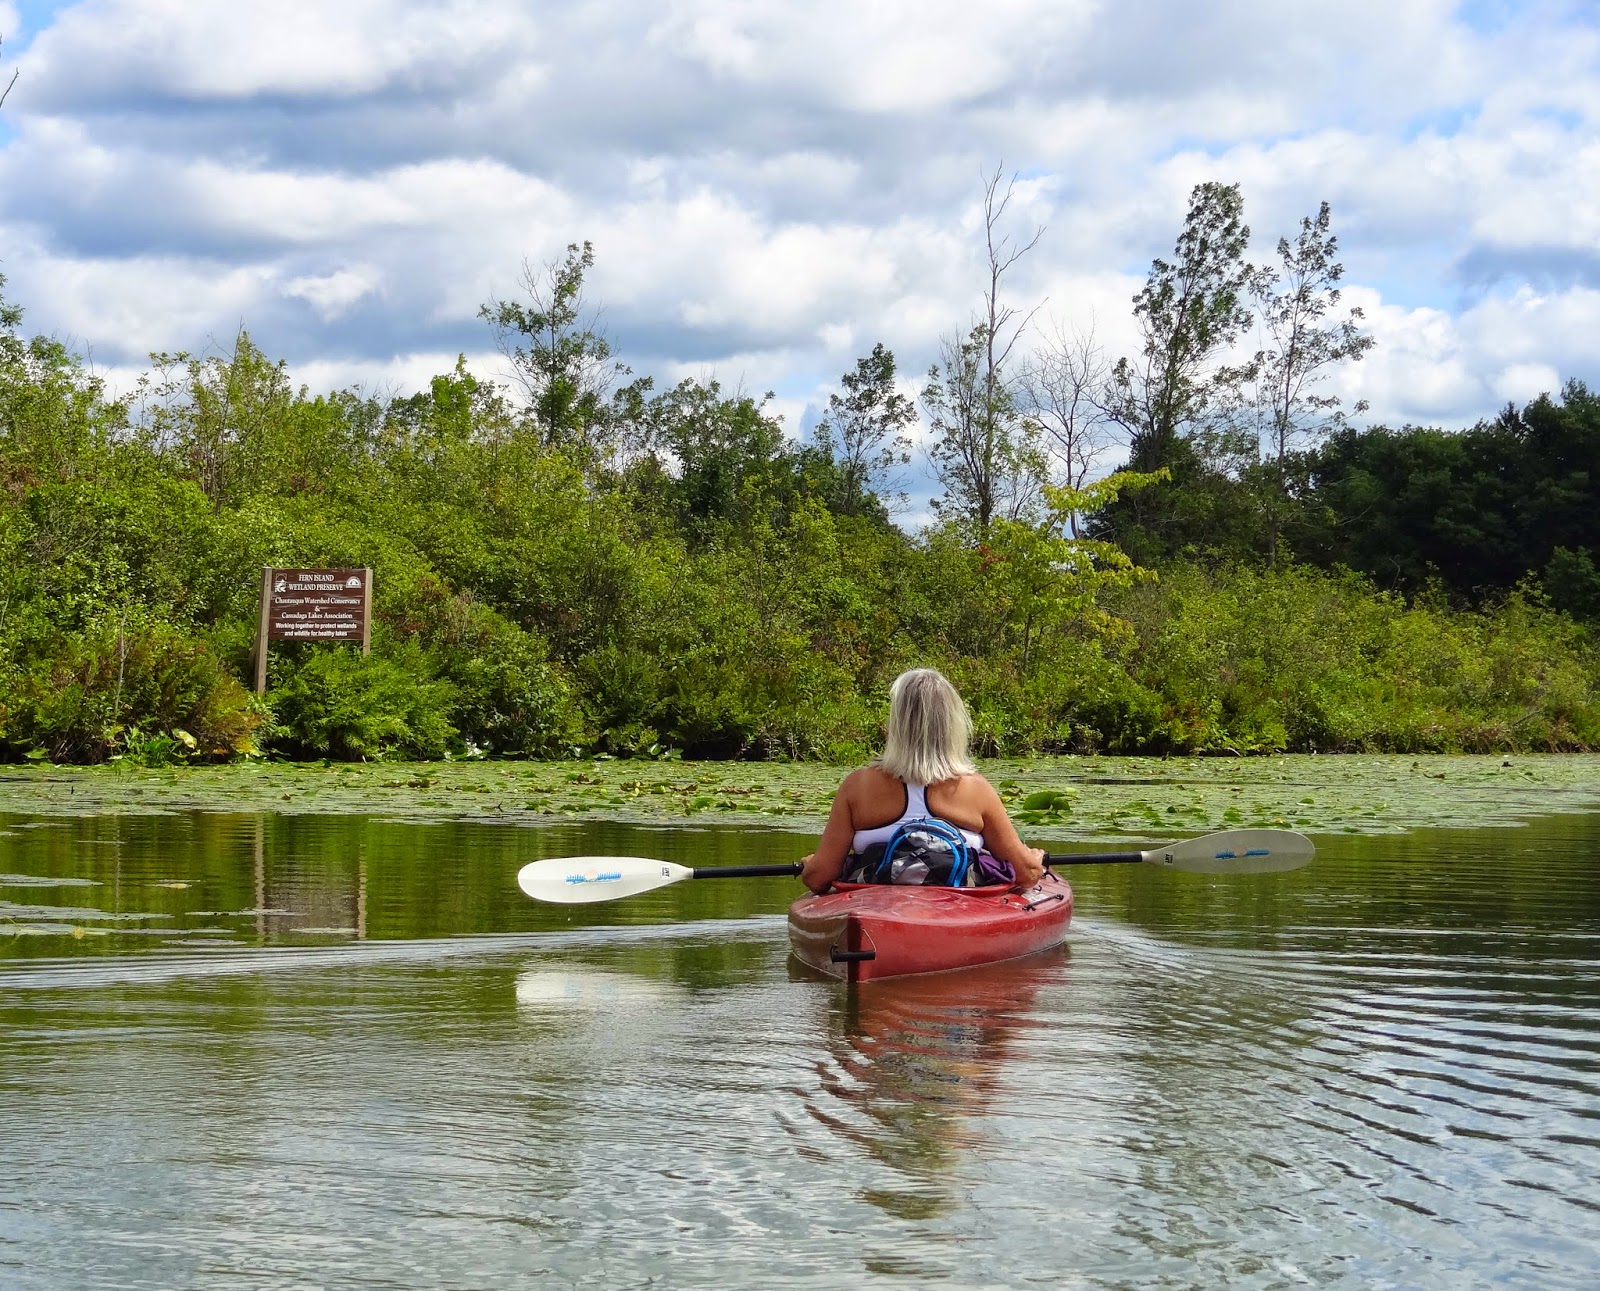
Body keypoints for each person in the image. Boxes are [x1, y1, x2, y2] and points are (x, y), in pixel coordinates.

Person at [800, 668, 1047, 894]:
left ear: (896, 723)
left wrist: (811, 865)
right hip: (954, 912)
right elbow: (1026, 875)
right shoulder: (975, 790)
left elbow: (819, 879)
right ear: (952, 724)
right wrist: (1033, 859)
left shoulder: (858, 786)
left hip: (876, 907)